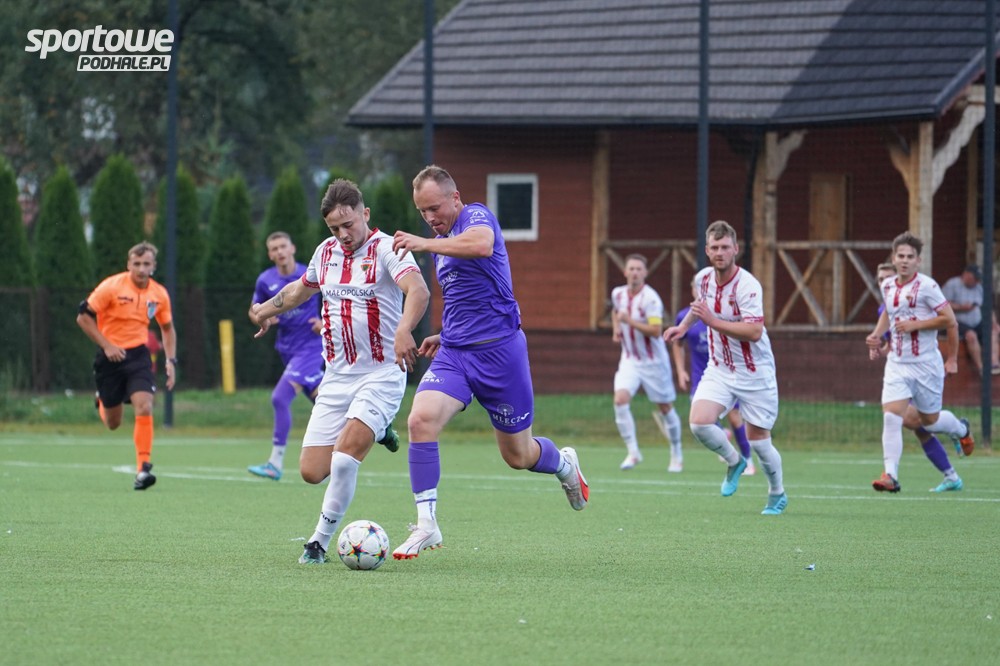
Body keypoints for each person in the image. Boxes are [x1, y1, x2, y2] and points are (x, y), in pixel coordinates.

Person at [389, 165, 589, 559]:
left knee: (518, 456)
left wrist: (423, 244)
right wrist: (444, 334)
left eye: (434, 208)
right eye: (422, 212)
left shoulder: (476, 216)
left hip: (501, 355)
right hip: (455, 354)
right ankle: (426, 524)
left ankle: (564, 464)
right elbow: (468, 298)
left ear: (455, 197)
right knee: (419, 420)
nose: (429, 218)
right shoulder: (441, 242)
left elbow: (480, 245)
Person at [249, 179, 430, 564]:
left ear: (366, 214)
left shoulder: (387, 249)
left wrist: (404, 330)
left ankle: (317, 543)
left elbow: (418, 290)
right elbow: (299, 290)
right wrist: (264, 310)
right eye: (335, 228)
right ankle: (380, 429)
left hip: (381, 373)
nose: (343, 234)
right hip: (336, 376)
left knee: (345, 457)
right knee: (312, 471)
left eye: (349, 224)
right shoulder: (325, 252)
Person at [663, 220, 787, 515]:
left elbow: (754, 331)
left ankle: (777, 492)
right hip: (720, 368)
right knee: (699, 423)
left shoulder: (748, 285)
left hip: (754, 372)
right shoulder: (706, 279)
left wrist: (713, 321)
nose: (720, 252)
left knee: (759, 442)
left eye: (725, 247)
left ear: (736, 249)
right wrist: (683, 328)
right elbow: (700, 307)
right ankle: (734, 461)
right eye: (714, 247)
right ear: (707, 251)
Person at [866, 232, 974, 494]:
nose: (905, 260)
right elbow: (888, 313)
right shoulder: (888, 285)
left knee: (930, 421)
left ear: (918, 260)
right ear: (894, 258)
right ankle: (890, 475)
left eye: (910, 257)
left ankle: (960, 429)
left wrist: (949, 357)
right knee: (892, 416)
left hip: (925, 365)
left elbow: (949, 320)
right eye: (900, 256)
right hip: (897, 363)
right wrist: (877, 335)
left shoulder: (928, 286)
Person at [76, 241, 177, 490]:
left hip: (138, 356)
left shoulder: (159, 294)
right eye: (137, 263)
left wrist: (171, 360)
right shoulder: (111, 286)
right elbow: (83, 317)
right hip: (109, 357)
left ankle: (143, 469)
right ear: (128, 264)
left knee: (145, 405)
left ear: (154, 266)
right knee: (113, 423)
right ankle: (102, 401)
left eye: (146, 264)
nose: (141, 269)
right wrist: (107, 345)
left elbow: (167, 328)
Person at [247, 232, 326, 481]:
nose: (280, 251)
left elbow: (337, 298)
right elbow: (254, 310)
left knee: (280, 398)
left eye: (283, 246)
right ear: (269, 254)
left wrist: (325, 323)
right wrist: (263, 317)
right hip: (287, 349)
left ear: (292, 248)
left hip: (311, 348)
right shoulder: (265, 280)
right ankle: (375, 430)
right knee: (325, 402)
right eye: (274, 248)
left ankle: (275, 462)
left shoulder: (309, 273)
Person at [671, 277, 756, 476]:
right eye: (696, 287)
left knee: (735, 417)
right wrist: (681, 370)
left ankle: (748, 460)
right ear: (692, 290)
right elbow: (677, 342)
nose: (700, 291)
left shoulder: (722, 314)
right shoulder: (684, 317)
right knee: (699, 415)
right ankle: (724, 439)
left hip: (727, 373)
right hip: (701, 374)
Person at [610, 254, 684, 472]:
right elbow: (616, 312)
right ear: (625, 272)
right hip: (630, 359)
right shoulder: (618, 294)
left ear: (645, 273)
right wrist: (617, 328)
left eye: (639, 269)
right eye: (631, 268)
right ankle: (633, 452)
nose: (635, 273)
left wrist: (629, 321)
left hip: (653, 362)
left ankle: (676, 453)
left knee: (665, 407)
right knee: (620, 400)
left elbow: (655, 330)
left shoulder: (651, 299)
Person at [941, 264, 1000, 376]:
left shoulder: (978, 287)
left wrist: (994, 323)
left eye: (978, 279)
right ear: (966, 275)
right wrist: (960, 307)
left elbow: (987, 307)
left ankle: (994, 363)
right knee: (971, 336)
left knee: (993, 331)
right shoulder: (952, 284)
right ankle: (981, 368)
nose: (977, 281)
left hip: (977, 321)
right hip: (958, 322)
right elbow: (943, 305)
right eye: (975, 278)